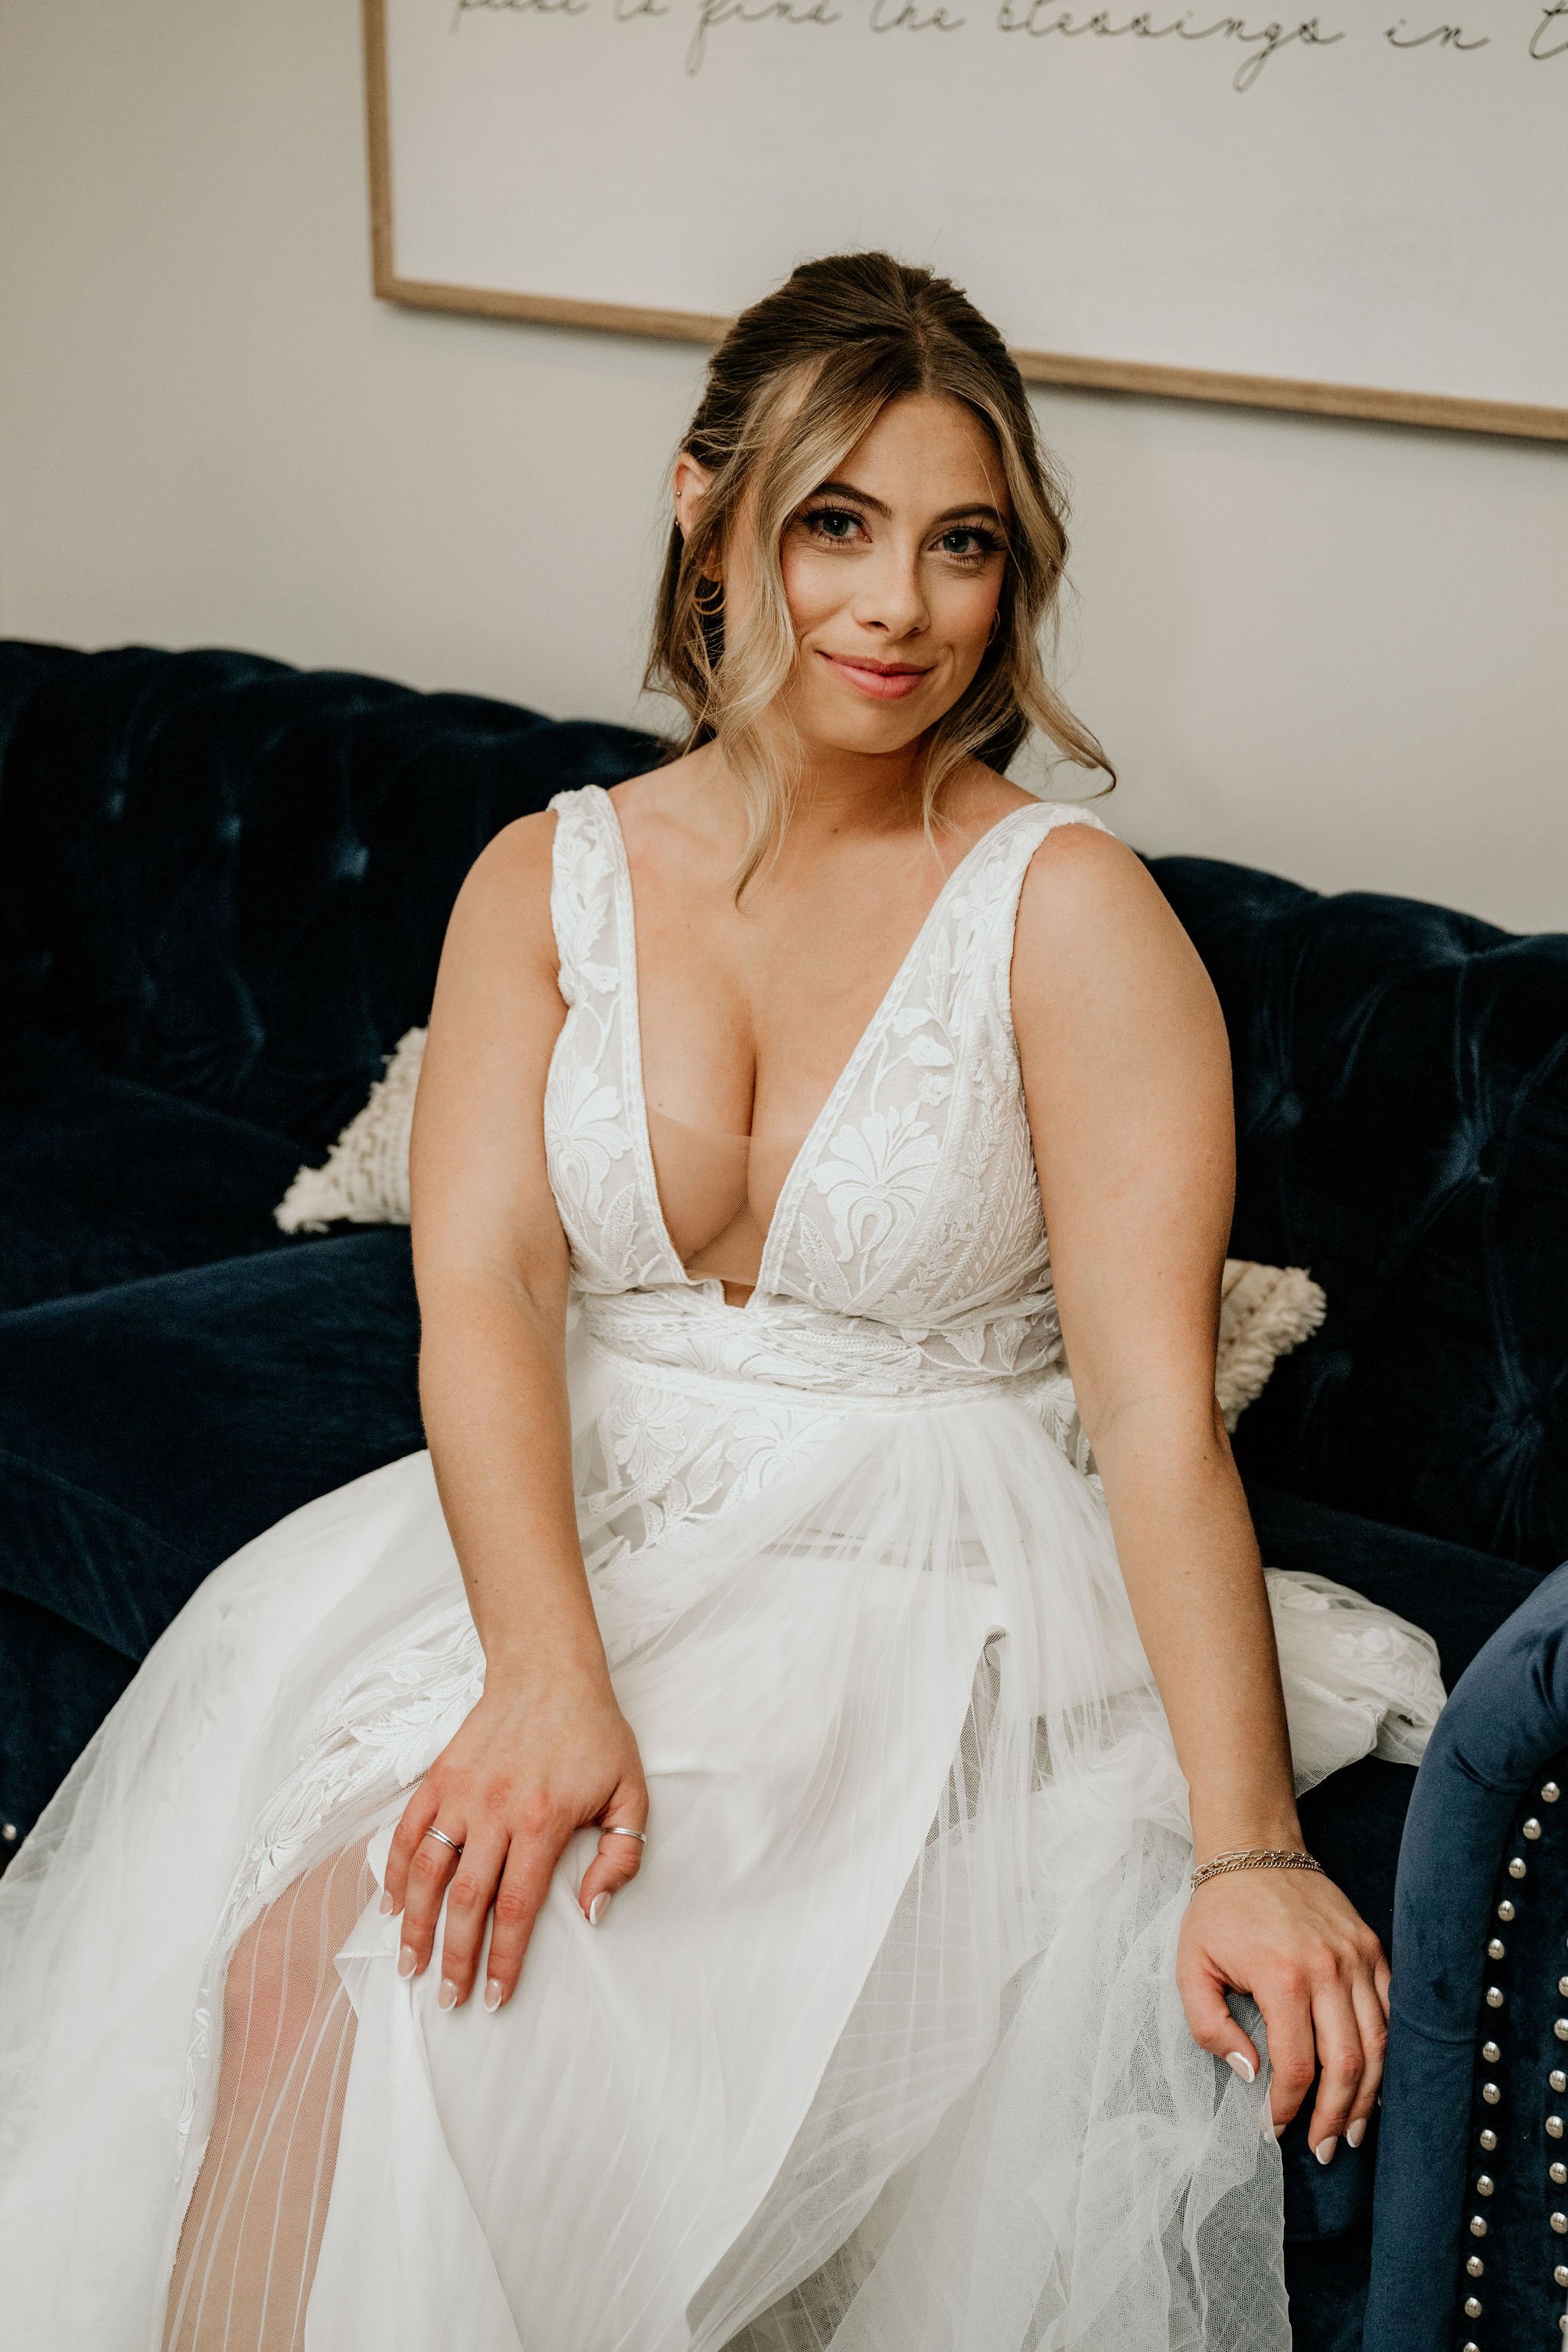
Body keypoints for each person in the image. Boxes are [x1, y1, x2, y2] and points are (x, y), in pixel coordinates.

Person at [0, 251, 1442, 2352]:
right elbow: (488, 1290)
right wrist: (542, 1675)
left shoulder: (1069, 913)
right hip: (583, 1522)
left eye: (962, 544)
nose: (899, 608)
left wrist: (1248, 1852)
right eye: (834, 523)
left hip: (908, 1582)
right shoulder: (547, 876)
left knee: (441, 1994)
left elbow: (1153, 1413)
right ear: (707, 509)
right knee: (287, 1950)